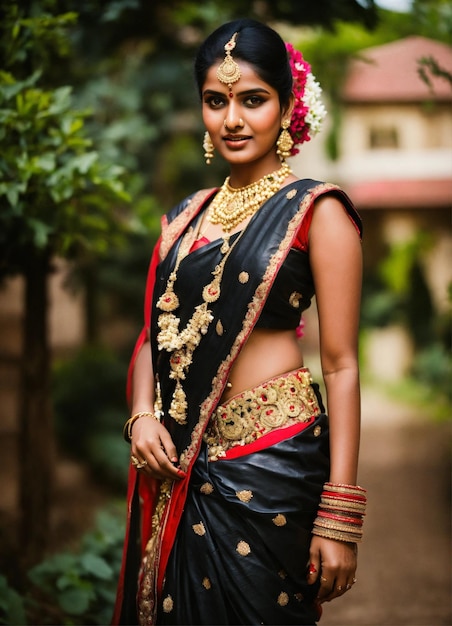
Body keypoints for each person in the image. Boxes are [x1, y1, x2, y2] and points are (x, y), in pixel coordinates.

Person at [113, 17, 366, 626]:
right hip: (180, 459)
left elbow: (342, 365)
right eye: (215, 101)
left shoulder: (317, 211)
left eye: (253, 100)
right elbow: (154, 335)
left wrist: (339, 516)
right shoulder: (183, 220)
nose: (232, 119)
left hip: (272, 465)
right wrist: (143, 414)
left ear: (284, 106)